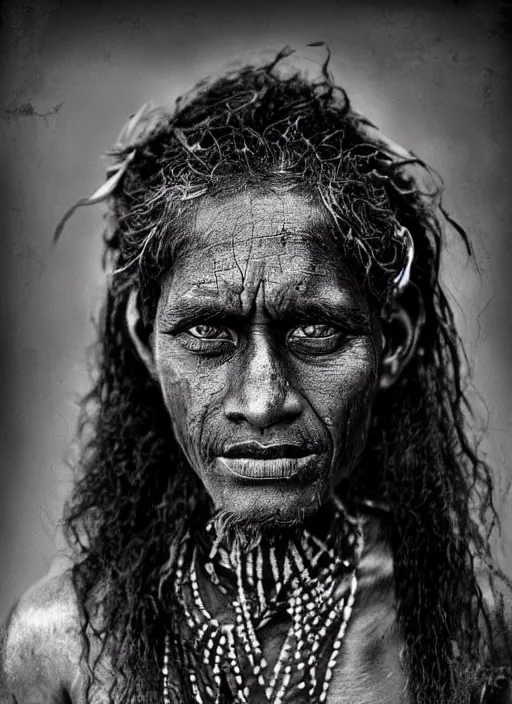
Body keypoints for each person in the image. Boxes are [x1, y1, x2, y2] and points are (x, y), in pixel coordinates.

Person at [1, 47, 511, 704]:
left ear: (393, 346)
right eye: (208, 331)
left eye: (315, 329)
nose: (264, 400)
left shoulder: (470, 632)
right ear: (145, 341)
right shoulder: (59, 642)